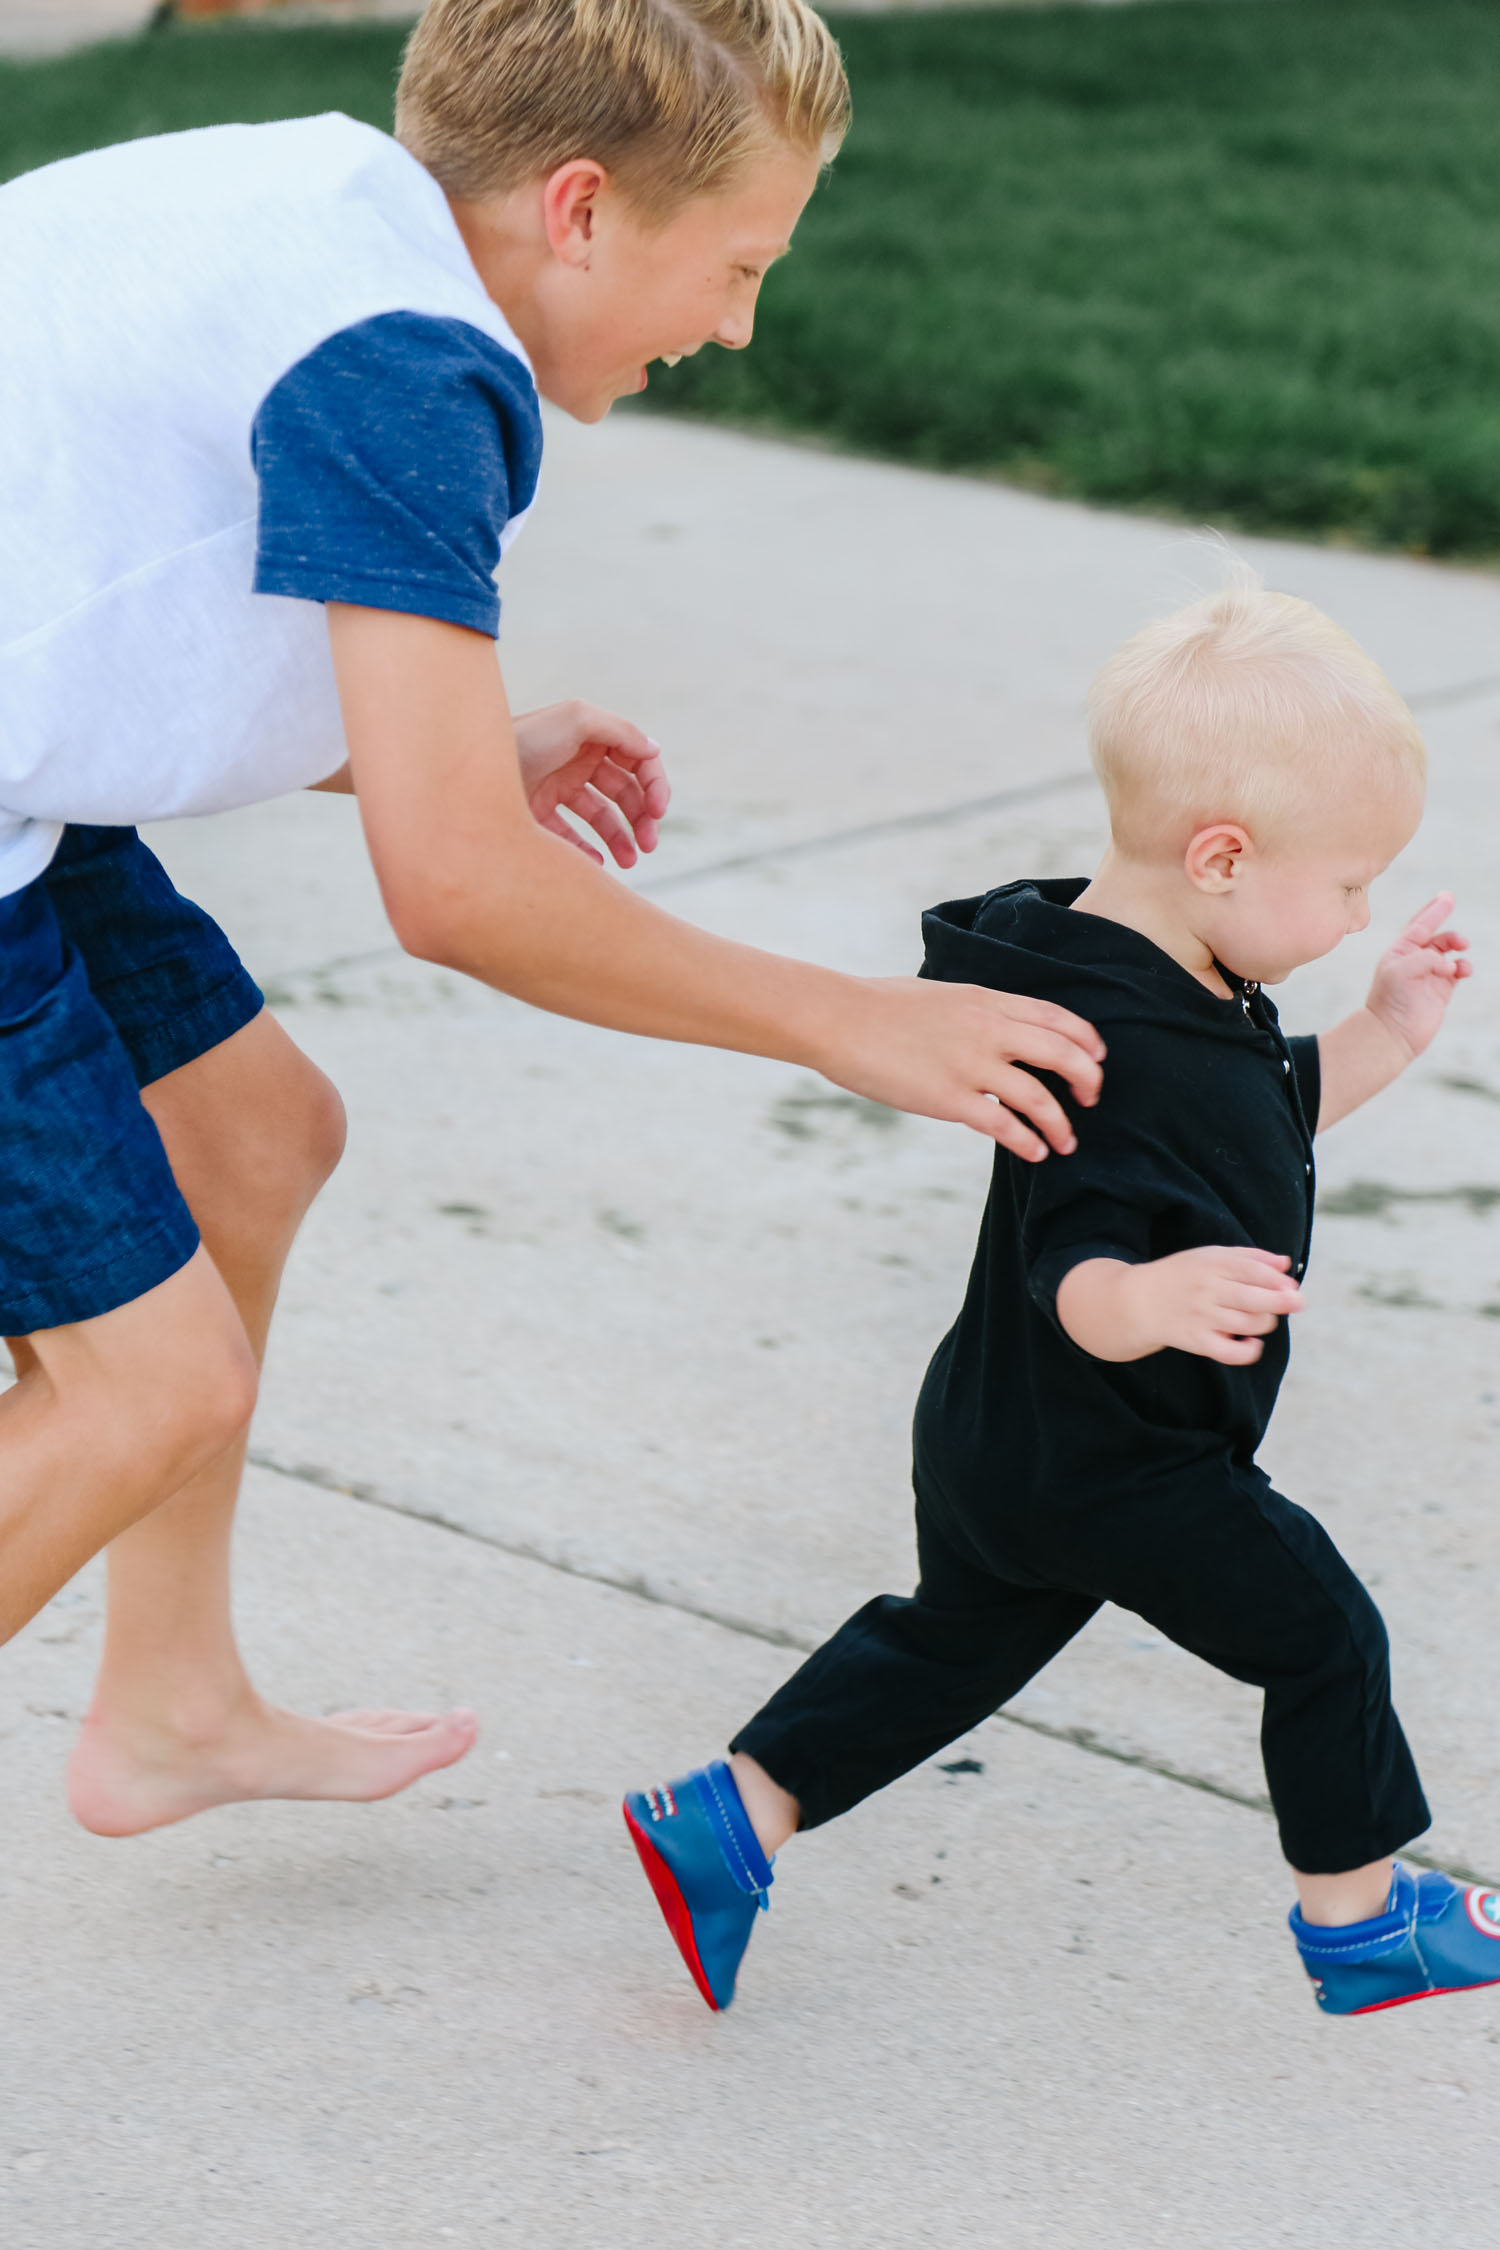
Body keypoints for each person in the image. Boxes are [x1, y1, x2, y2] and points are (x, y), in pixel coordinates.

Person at [0, 0, 1106, 1840]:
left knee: (251, 1138)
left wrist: (449, 747)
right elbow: (460, 897)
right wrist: (853, 1021)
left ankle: (171, 1704)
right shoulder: (409, 367)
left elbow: (106, 582)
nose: (740, 324)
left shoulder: (329, 210)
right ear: (581, 210)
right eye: (739, 262)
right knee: (146, 1390)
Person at [624, 575, 1495, 2021]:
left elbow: (1264, 1120)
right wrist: (1153, 1299)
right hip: (1115, 1456)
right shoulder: (1112, 1046)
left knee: (948, 1645)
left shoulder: (1176, 981)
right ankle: (1360, 1923)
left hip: (1004, 1440)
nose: (1356, 916)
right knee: (1322, 1633)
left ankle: (734, 1813)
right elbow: (1077, 1271)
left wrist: (1386, 1027)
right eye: (1347, 885)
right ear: (1221, 853)